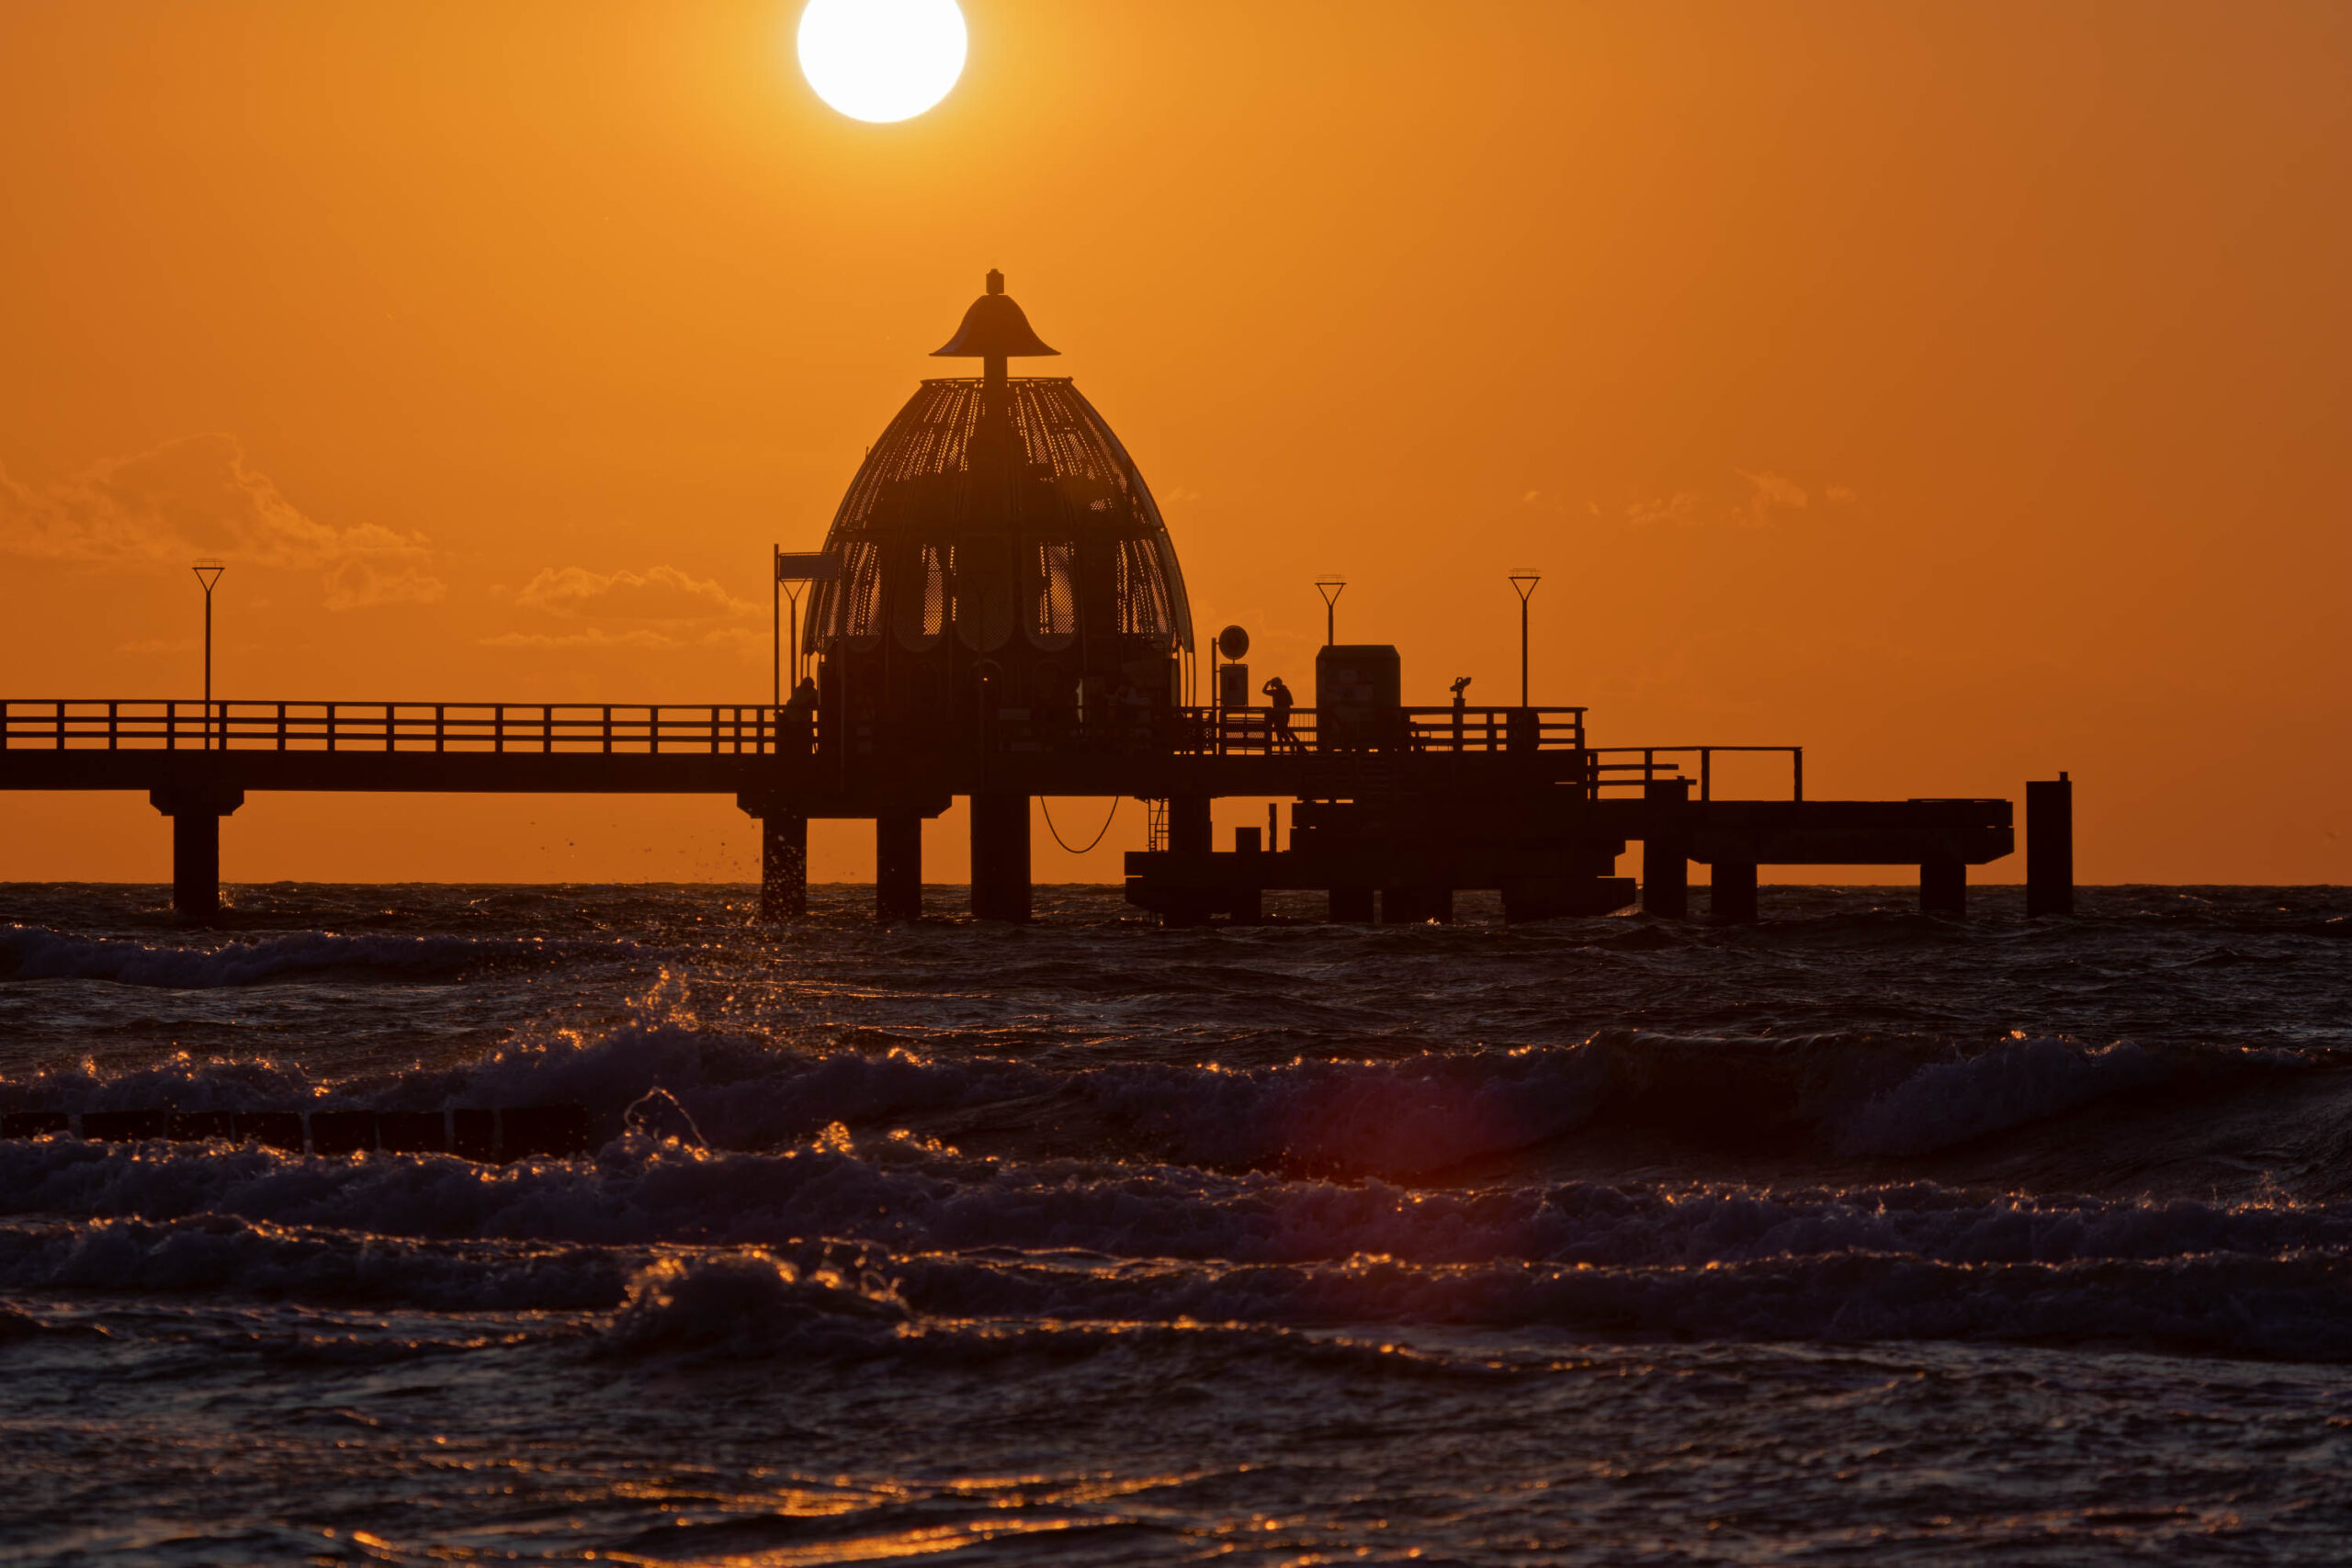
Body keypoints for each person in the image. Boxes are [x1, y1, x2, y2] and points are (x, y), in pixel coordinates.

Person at [1261, 674, 1296, 751]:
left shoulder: (1282, 692)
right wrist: (1267, 683)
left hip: (1282, 715)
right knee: (1280, 733)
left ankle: (1289, 747)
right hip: (1279, 715)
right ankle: (1287, 748)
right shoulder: (1277, 692)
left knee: (1282, 732)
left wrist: (1268, 683)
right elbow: (1264, 691)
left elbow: (1290, 703)